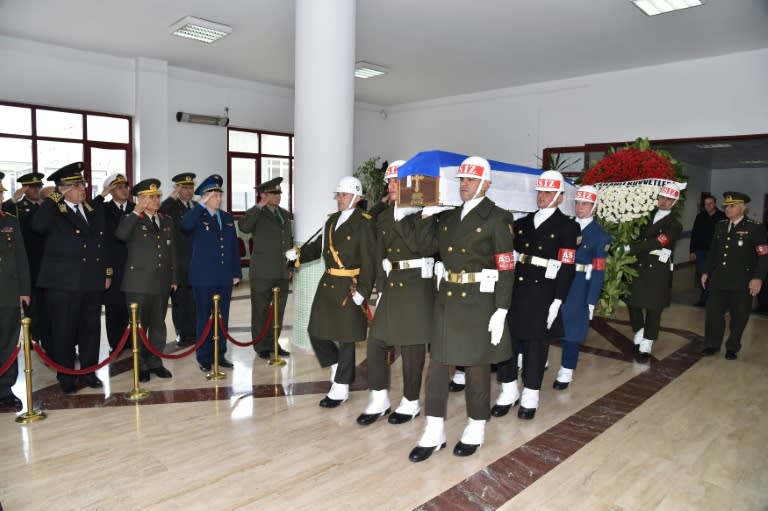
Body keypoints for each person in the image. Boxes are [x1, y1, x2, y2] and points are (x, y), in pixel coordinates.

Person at [408, 156, 515, 462]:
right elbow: (424, 247)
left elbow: (505, 266)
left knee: (477, 368)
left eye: (469, 180)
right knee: (438, 367)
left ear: (485, 183)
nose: (463, 185)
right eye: (462, 180)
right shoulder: (449, 217)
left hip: (479, 300)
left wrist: (501, 309)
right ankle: (434, 428)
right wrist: (426, 214)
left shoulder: (497, 218)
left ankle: (476, 426)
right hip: (449, 298)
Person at [491, 170, 579, 421]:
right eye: (540, 192)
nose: (542, 196)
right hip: (517, 290)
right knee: (509, 340)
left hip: (543, 292)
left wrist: (558, 299)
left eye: (549, 193)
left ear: (560, 197)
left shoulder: (567, 227)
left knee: (535, 345)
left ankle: (530, 393)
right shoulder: (521, 224)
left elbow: (567, 266)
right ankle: (508, 390)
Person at [356, 160, 433, 426]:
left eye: (396, 182)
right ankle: (379, 398)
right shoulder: (385, 215)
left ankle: (410, 401)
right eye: (389, 182)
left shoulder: (423, 214)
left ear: (410, 186)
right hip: (392, 285)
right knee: (376, 342)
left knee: (412, 346)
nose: (390, 186)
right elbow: (380, 255)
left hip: (416, 284)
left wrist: (404, 216)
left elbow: (422, 247)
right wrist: (379, 289)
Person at [288, 176, 376, 408]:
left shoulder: (365, 223)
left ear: (356, 198)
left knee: (346, 338)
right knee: (316, 330)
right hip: (328, 283)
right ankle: (337, 367)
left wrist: (364, 291)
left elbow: (370, 260)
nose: (339, 198)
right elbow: (318, 248)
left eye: (344, 195)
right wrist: (298, 255)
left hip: (350, 286)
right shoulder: (331, 221)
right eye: (338, 195)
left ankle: (341, 387)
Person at [31, 162, 112, 394]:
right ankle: (66, 376)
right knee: (63, 330)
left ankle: (88, 372)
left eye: (83, 184)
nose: (83, 189)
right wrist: (53, 197)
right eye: (77, 185)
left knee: (90, 329)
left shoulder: (92, 209)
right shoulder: (53, 210)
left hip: (91, 280)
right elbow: (38, 226)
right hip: (62, 283)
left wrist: (107, 272)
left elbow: (102, 244)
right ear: (63, 189)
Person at [115, 179, 178, 381]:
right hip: (138, 283)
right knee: (139, 326)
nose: (156, 199)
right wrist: (135, 212)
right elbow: (120, 235)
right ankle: (140, 364)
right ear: (140, 199)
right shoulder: (131, 219)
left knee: (158, 326)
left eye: (158, 196)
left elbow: (172, 252)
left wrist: (174, 278)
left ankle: (155, 362)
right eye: (151, 197)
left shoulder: (165, 219)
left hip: (161, 282)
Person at [181, 174, 241, 372]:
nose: (219, 198)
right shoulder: (198, 216)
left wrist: (236, 272)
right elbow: (185, 225)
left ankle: (220, 353)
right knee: (204, 317)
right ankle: (204, 356)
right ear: (205, 197)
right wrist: (200, 205)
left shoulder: (226, 217)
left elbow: (232, 247)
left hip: (224, 276)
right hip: (203, 278)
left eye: (219, 194)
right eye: (215, 195)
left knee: (222, 316)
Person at [553, 185, 611, 389]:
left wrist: (591, 300)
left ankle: (567, 369)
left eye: (585, 204)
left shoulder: (600, 235)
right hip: (558, 279)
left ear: (594, 207)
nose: (580, 207)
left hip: (578, 285)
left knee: (572, 329)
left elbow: (598, 270)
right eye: (577, 203)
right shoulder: (564, 226)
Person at [701, 192, 768, 360]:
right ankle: (712, 344)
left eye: (732, 206)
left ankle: (732, 347)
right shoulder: (721, 225)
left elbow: (763, 255)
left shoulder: (755, 228)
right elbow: (713, 251)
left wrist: (757, 278)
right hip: (718, 280)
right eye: (726, 206)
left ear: (743, 207)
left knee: (739, 317)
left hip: (741, 282)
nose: (727, 209)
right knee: (713, 315)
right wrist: (706, 271)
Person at [625, 182, 684, 361]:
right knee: (632, 301)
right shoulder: (645, 216)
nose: (664, 201)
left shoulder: (674, 224)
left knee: (653, 306)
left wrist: (630, 248)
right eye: (662, 197)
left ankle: (647, 343)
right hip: (638, 265)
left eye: (668, 199)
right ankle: (640, 329)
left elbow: (657, 242)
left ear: (674, 202)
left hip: (657, 268)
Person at [238, 177, 293, 360]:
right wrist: (259, 205)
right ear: (264, 195)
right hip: (262, 271)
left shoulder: (284, 215)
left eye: (279, 193)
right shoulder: (256, 214)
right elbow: (244, 227)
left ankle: (273, 342)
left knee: (278, 311)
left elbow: (289, 242)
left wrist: (290, 266)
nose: (278, 197)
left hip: (281, 271)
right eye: (274, 194)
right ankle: (260, 345)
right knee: (261, 310)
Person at [2, 172, 46, 345]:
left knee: (44, 304)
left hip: (44, 262)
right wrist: (13, 199)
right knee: (32, 306)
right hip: (28, 259)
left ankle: (43, 336)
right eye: (32, 187)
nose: (37, 190)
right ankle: (32, 338)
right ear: (25, 189)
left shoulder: (44, 206)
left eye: (38, 187)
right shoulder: (16, 208)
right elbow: (3, 212)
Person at [0, 172, 31, 410]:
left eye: (0, 193)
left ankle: (6, 388)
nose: (0, 197)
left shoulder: (9, 221)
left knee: (9, 342)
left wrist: (24, 289)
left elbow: (21, 258)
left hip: (8, 292)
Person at [94, 173, 134, 355]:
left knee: (132, 307)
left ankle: (132, 341)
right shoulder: (104, 208)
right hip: (113, 265)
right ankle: (116, 344)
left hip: (134, 264)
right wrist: (103, 194)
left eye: (126, 186)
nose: (124, 190)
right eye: (119, 187)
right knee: (114, 307)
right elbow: (90, 209)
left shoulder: (135, 208)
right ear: (110, 190)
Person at [160, 173, 197, 347]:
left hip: (196, 260)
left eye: (191, 187)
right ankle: (182, 332)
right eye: (185, 188)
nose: (189, 191)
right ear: (178, 189)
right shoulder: (171, 208)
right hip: (179, 261)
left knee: (195, 299)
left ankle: (195, 330)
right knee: (180, 300)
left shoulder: (197, 206)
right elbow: (160, 212)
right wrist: (171, 196)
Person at [689, 194, 726, 306]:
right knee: (701, 274)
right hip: (701, 251)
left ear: (714, 204)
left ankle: (715, 299)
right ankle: (704, 299)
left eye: (710, 203)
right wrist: (692, 251)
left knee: (714, 276)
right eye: (705, 204)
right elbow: (694, 234)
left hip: (716, 252)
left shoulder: (723, 217)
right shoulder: (700, 217)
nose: (708, 206)